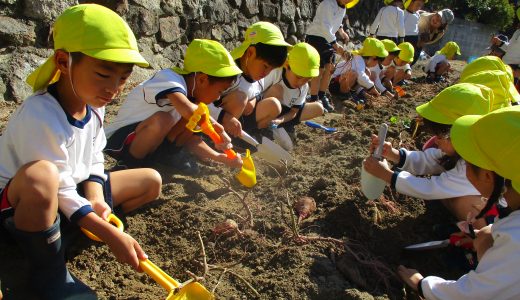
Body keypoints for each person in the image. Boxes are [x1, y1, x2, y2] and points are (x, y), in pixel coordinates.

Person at [0, 4, 162, 299]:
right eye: (103, 74)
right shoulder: (40, 115)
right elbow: (58, 188)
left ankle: (72, 230)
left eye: (123, 78)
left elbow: (95, 158)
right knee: (42, 175)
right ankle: (48, 270)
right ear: (63, 61)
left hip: (71, 195)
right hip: (26, 208)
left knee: (151, 181)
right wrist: (110, 233)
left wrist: (97, 200)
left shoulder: (95, 107)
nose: (113, 88)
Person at [398, 105, 520, 299]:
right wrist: (491, 235)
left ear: (488, 176)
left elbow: (473, 294)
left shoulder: (516, 242)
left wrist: (423, 285)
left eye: (468, 163)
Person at [363, 83, 496, 229]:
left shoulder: (474, 165)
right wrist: (392, 154)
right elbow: (429, 160)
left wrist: (386, 175)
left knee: (465, 204)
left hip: (497, 222)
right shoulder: (462, 151)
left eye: (439, 136)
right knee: (448, 194)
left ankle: (480, 240)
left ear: (462, 134)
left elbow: (431, 188)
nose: (435, 141)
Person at [105, 39, 243, 170]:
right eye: (219, 91)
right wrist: (216, 129)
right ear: (202, 80)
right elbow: (191, 111)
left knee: (191, 123)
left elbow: (192, 140)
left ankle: (161, 161)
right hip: (121, 141)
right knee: (165, 119)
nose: (218, 97)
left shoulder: (194, 99)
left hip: (153, 146)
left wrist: (219, 157)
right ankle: (128, 165)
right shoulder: (169, 79)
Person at [208, 21, 290, 138]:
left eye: (271, 69)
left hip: (238, 121)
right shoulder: (227, 73)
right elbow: (200, 102)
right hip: (212, 121)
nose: (266, 73)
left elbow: (257, 92)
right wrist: (224, 117)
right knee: (240, 99)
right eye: (265, 66)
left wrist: (254, 100)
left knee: (275, 105)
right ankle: (214, 139)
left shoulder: (259, 76)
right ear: (251, 53)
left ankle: (247, 136)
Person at [305, 0, 360, 112]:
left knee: (329, 69)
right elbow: (325, 26)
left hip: (328, 39)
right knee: (318, 70)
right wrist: (336, 45)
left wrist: (341, 31)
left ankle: (322, 95)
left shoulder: (343, 8)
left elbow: (337, 22)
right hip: (316, 37)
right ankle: (314, 98)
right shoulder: (327, 4)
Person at [261, 43, 325, 138]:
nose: (301, 83)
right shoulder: (275, 73)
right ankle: (263, 127)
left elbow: (293, 112)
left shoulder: (304, 87)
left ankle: (284, 125)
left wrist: (280, 120)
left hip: (286, 113)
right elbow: (257, 94)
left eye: (307, 79)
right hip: (268, 107)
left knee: (319, 108)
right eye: (298, 77)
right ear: (287, 65)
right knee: (277, 90)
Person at [329, 37, 389, 108]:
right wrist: (372, 88)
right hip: (334, 84)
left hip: (343, 83)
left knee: (367, 72)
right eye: (377, 62)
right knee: (353, 74)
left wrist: (369, 92)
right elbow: (361, 76)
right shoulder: (358, 59)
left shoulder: (362, 63)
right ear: (373, 57)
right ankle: (343, 96)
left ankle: (353, 94)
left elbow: (361, 80)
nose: (376, 65)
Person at [491, 8, 520, 89]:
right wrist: (500, 42)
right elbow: (510, 48)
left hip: (513, 70)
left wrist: (519, 70)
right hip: (503, 65)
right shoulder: (517, 32)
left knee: (504, 95)